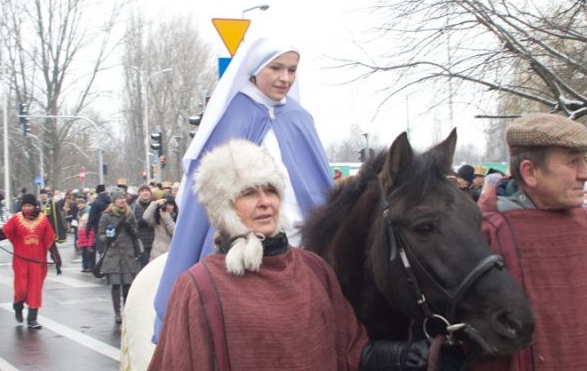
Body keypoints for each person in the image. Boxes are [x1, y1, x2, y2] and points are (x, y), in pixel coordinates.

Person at [149, 139, 440, 371]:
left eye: (271, 191)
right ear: (225, 207)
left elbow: (350, 349)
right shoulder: (198, 286)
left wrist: (403, 356)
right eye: (249, 193)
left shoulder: (314, 269)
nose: (265, 202)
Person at [153, 38, 335, 339]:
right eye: (276, 68)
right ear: (254, 68)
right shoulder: (232, 116)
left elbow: (320, 192)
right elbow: (209, 198)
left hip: (304, 249)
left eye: (292, 69)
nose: (285, 78)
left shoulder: (299, 119)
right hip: (243, 247)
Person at [474, 113, 587, 370]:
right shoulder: (482, 238)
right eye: (573, 161)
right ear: (530, 171)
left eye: (584, 160)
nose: (585, 173)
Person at [0, 193, 57, 329]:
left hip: (38, 262)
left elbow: (50, 239)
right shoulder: (15, 219)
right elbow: (4, 232)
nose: (27, 208)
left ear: (34, 206)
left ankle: (32, 319)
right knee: (21, 289)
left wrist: (56, 257)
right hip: (21, 261)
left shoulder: (43, 220)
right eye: (25, 205)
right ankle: (18, 305)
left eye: (29, 205)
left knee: (35, 290)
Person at [99, 189, 141, 324]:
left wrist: (131, 229)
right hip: (114, 254)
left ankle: (126, 310)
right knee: (116, 285)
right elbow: (100, 234)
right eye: (119, 198)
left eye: (123, 197)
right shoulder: (106, 216)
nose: (122, 200)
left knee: (127, 285)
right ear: (114, 201)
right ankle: (117, 312)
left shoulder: (130, 214)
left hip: (128, 254)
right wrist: (108, 238)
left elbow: (136, 232)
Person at [144, 195, 177, 261]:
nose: (168, 207)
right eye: (166, 205)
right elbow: (146, 217)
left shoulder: (178, 218)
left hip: (172, 253)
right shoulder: (157, 220)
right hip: (157, 254)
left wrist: (166, 217)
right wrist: (155, 203)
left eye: (171, 205)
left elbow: (175, 233)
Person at [131, 185, 156, 262]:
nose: (145, 193)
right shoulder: (134, 207)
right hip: (142, 242)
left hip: (155, 241)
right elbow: (133, 224)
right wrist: (144, 220)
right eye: (142, 191)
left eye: (147, 191)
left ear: (150, 193)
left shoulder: (156, 205)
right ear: (139, 194)